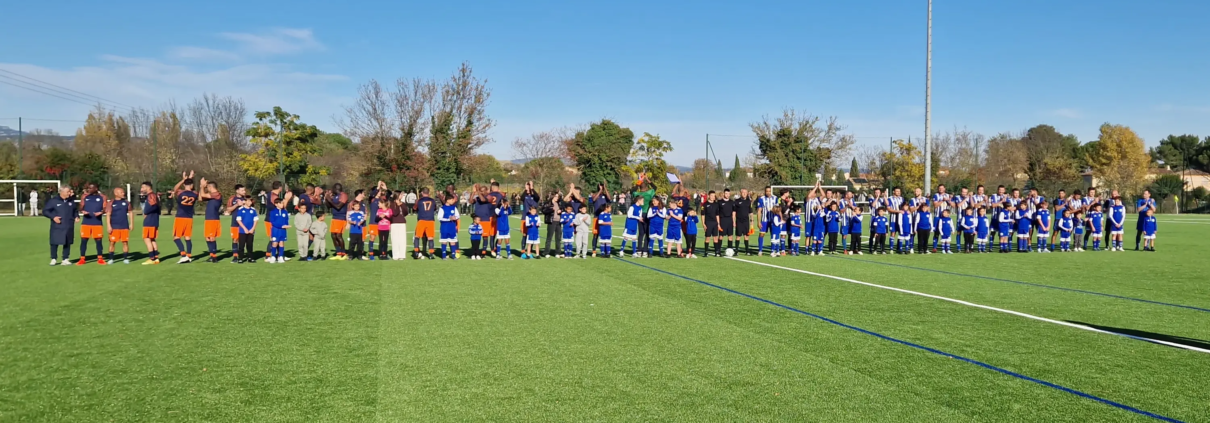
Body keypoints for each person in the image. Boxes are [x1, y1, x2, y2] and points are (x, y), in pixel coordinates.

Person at [44, 185, 77, 266]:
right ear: (62, 192)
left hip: (69, 225)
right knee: (54, 242)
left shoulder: (71, 201)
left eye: (69, 191)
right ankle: (54, 258)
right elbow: (45, 211)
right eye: (68, 191)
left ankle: (65, 259)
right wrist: (53, 217)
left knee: (67, 242)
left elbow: (75, 211)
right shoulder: (53, 201)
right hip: (57, 226)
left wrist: (76, 216)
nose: (69, 193)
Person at [172, 172, 199, 264]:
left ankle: (183, 256)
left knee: (176, 237)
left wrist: (183, 180)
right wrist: (190, 178)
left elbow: (175, 189)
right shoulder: (195, 193)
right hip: (189, 218)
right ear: (192, 185)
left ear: (184, 185)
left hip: (180, 217)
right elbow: (193, 190)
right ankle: (189, 256)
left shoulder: (181, 192)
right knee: (187, 237)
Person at [77, 183, 107, 265]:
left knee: (98, 241)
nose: (89, 189)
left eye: (91, 188)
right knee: (84, 241)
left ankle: (100, 258)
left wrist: (101, 212)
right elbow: (80, 207)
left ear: (96, 188)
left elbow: (105, 208)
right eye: (88, 188)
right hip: (86, 222)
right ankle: (82, 259)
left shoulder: (102, 197)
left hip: (97, 222)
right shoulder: (84, 196)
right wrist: (82, 211)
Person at [105, 187, 134, 264]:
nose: (123, 193)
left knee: (125, 242)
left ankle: (125, 258)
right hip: (114, 226)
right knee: (112, 242)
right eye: (121, 192)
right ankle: (111, 259)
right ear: (116, 193)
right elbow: (108, 214)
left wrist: (131, 223)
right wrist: (108, 225)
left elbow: (130, 212)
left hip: (124, 226)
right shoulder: (111, 203)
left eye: (123, 192)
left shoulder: (127, 202)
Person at [200, 179, 224, 263]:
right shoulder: (211, 196)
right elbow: (200, 198)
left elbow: (203, 194)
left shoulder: (217, 194)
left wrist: (202, 187)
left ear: (210, 187)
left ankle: (214, 257)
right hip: (208, 219)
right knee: (207, 237)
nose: (207, 189)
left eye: (207, 187)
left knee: (212, 237)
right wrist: (201, 187)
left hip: (213, 219)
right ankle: (211, 255)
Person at [326, 184, 350, 260]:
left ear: (336, 188)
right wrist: (327, 198)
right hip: (334, 217)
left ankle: (344, 254)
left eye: (332, 188)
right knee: (333, 235)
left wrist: (330, 200)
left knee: (338, 235)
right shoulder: (335, 196)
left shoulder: (343, 195)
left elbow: (338, 207)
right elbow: (329, 206)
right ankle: (338, 253)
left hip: (341, 218)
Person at [139, 182, 162, 265]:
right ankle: (156, 258)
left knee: (147, 238)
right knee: (152, 239)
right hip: (154, 219)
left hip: (150, 220)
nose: (141, 189)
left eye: (143, 187)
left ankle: (151, 258)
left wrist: (146, 212)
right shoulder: (153, 195)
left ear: (148, 187)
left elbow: (154, 206)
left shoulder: (151, 195)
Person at [412, 188, 437, 259]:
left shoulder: (419, 200)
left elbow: (414, 209)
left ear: (422, 193)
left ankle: (416, 252)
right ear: (429, 193)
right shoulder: (433, 200)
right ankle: (431, 254)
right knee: (430, 238)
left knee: (417, 236)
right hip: (430, 221)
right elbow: (434, 208)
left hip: (422, 220)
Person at [226, 185, 247, 263]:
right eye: (242, 190)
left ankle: (243, 255)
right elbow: (228, 209)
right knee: (235, 239)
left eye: (244, 190)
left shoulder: (246, 199)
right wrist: (237, 205)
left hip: (245, 223)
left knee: (244, 240)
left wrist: (244, 204)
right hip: (235, 223)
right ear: (237, 191)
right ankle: (235, 256)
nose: (244, 192)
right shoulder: (232, 198)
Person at [235, 197, 259, 263]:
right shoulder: (240, 210)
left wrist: (253, 229)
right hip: (242, 231)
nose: (250, 203)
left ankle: (250, 258)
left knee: (250, 245)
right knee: (241, 245)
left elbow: (256, 220)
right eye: (248, 201)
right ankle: (240, 258)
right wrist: (244, 228)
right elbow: (239, 220)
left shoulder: (253, 210)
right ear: (245, 201)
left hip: (251, 230)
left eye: (250, 201)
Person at [267, 198, 290, 263]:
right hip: (275, 230)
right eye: (281, 203)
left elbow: (286, 220)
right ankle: (273, 257)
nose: (282, 204)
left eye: (283, 203)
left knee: (281, 243)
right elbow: (273, 222)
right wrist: (281, 226)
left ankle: (280, 257)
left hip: (283, 230)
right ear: (276, 204)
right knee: (274, 243)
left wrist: (286, 225)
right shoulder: (273, 212)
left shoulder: (285, 212)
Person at [437, 195, 460, 260]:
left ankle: (453, 255)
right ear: (447, 200)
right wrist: (448, 219)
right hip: (445, 227)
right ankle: (444, 256)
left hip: (452, 227)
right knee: (444, 241)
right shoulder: (442, 208)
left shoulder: (454, 208)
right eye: (452, 200)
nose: (453, 201)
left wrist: (455, 217)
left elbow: (458, 216)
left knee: (453, 241)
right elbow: (439, 218)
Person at [389, 192, 409, 260]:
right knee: (395, 239)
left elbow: (406, 213)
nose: (402, 195)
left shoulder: (402, 203)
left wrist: (401, 205)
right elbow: (395, 213)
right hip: (394, 223)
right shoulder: (392, 204)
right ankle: (395, 255)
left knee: (402, 239)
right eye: (401, 194)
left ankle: (402, 255)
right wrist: (397, 205)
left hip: (402, 223)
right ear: (397, 195)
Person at [735, 189, 754, 255]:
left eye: (745, 192)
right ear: (740, 193)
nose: (744, 193)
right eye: (743, 192)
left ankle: (747, 251)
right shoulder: (737, 201)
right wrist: (734, 221)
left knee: (746, 235)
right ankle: (736, 250)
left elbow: (751, 212)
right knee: (738, 236)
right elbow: (734, 212)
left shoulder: (749, 201)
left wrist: (752, 221)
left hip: (746, 221)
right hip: (739, 221)